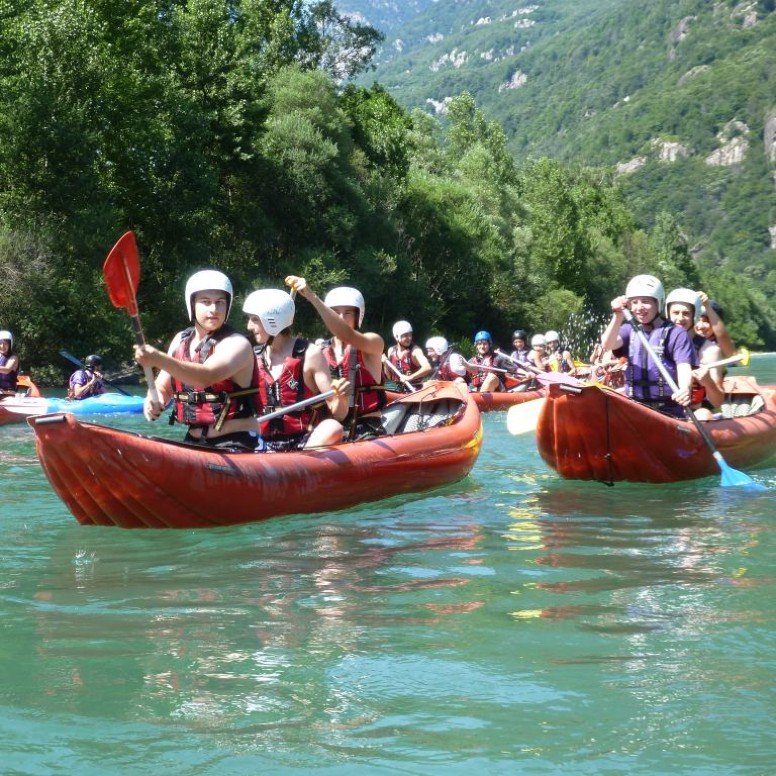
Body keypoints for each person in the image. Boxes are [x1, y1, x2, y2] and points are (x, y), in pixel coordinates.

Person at [134, 269, 263, 451]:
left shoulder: (237, 344)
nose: (214, 309)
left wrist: (158, 359)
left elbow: (206, 376)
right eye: (205, 302)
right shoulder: (181, 340)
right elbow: (164, 387)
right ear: (192, 305)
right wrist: (154, 400)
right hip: (193, 442)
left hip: (238, 443)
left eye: (220, 302)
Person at [243, 288, 350, 450]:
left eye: (254, 319)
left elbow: (339, 414)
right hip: (263, 444)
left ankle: (297, 468)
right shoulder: (252, 356)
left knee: (332, 427)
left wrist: (341, 397)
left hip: (304, 442)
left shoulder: (310, 354)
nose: (249, 326)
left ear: (273, 320)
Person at [285, 276, 387, 439]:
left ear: (357, 315)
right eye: (335, 312)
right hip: (334, 427)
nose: (340, 317)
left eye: (347, 313)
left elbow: (346, 334)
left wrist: (311, 297)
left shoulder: (373, 342)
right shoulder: (319, 352)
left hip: (367, 428)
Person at [600, 274, 694, 418]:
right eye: (634, 302)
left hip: (668, 410)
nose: (639, 307)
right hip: (635, 407)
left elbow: (684, 367)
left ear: (658, 303)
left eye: (645, 301)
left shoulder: (676, 333)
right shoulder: (628, 330)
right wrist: (618, 315)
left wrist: (685, 389)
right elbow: (607, 344)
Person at [665, 288, 724, 418]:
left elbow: (718, 401)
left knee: (703, 415)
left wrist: (708, 381)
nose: (680, 318)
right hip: (661, 409)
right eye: (675, 313)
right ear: (668, 314)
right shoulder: (658, 342)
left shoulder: (710, 350)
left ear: (695, 315)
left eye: (686, 313)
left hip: (694, 413)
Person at [385, 320, 432, 390]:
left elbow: (428, 367)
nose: (409, 338)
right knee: (380, 392)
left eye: (410, 334)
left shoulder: (415, 351)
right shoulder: (391, 351)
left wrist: (410, 377)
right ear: (396, 337)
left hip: (414, 390)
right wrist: (384, 363)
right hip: (397, 388)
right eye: (406, 335)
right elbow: (389, 377)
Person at [695, 293, 736, 358]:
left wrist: (707, 306)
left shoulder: (723, 345)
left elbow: (722, 337)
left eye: (706, 321)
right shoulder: (684, 339)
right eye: (697, 320)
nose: (700, 326)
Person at [0, 330, 19, 396]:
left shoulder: (14, 357)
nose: (2, 346)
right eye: (0, 343)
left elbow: (7, 370)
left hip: (9, 392)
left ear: (10, 344)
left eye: (5, 343)